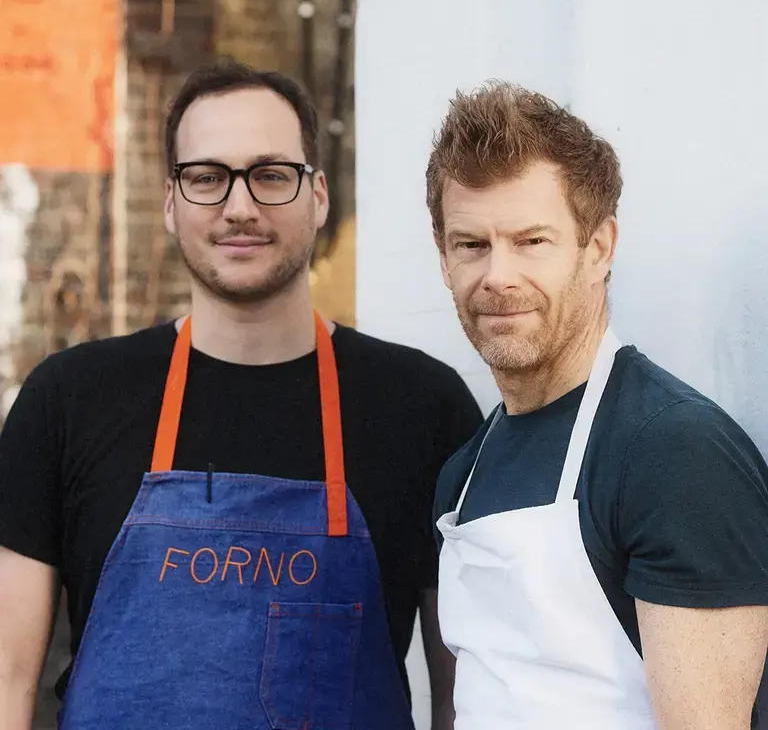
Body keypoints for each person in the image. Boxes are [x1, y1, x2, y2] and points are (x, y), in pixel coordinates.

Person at [0, 59, 482, 730]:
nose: (240, 207)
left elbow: (468, 701)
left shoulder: (425, 407)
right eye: (207, 178)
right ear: (170, 203)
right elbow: (6, 690)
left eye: (271, 175)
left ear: (318, 197)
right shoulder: (67, 400)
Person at [426, 81, 768, 729]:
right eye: (471, 244)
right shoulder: (464, 473)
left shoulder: (673, 451)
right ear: (444, 259)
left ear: (599, 247)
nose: (497, 275)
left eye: (531, 241)